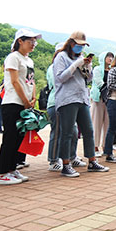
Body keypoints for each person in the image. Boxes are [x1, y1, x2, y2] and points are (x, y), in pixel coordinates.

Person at [54, 32, 109, 177]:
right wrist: (75, 65)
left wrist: (88, 67)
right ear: (71, 43)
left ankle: (92, 161)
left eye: (83, 45)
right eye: (79, 45)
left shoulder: (79, 57)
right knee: (67, 133)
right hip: (67, 99)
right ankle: (66, 164)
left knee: (88, 131)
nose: (81, 48)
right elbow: (60, 78)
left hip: (82, 98)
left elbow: (88, 79)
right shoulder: (61, 57)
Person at [0, 28, 41, 185]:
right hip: (13, 102)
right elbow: (14, 81)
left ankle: (12, 169)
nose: (33, 44)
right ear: (20, 41)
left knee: (19, 139)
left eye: (35, 41)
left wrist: (33, 97)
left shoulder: (29, 60)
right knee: (9, 138)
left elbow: (31, 80)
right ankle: (2, 174)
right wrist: (24, 100)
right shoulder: (13, 57)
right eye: (30, 41)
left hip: (25, 104)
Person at [91, 51, 113, 157]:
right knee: (97, 122)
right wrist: (110, 88)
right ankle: (95, 146)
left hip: (109, 99)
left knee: (108, 123)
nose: (110, 58)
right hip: (98, 98)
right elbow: (99, 82)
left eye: (112, 57)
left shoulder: (112, 70)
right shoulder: (97, 69)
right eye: (108, 56)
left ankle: (106, 145)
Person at [46, 43, 64, 171]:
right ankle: (53, 160)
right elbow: (58, 83)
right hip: (55, 102)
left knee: (72, 132)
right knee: (57, 132)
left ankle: (70, 157)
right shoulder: (53, 68)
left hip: (65, 103)